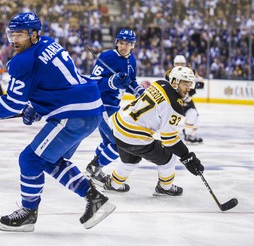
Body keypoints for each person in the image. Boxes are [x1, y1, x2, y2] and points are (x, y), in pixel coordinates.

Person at [0, 12, 116, 232]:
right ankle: (95, 199)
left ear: (33, 34)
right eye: (12, 34)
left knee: (30, 159)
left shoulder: (23, 61)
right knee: (50, 161)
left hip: (73, 115)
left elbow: (13, 103)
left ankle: (28, 213)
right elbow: (57, 81)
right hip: (89, 109)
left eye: (20, 34)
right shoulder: (50, 43)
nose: (14, 40)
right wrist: (38, 106)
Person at [103, 66, 205, 196]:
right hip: (133, 134)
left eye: (190, 84)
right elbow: (169, 140)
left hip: (117, 124)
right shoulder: (175, 106)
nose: (189, 88)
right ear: (174, 82)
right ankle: (165, 187)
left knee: (131, 159)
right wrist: (186, 156)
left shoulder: (159, 83)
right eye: (185, 83)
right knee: (169, 156)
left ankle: (114, 184)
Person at [85, 28, 145, 191]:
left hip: (114, 108)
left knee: (107, 142)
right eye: (121, 42)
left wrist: (139, 92)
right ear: (117, 42)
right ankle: (94, 167)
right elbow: (93, 83)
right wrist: (112, 81)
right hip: (100, 105)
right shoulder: (107, 57)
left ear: (133, 45)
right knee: (118, 143)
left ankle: (95, 166)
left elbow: (131, 81)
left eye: (127, 44)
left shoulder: (132, 60)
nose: (123, 46)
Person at [166, 55, 203, 144]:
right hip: (176, 100)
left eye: (182, 64)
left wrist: (194, 87)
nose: (179, 65)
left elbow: (200, 82)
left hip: (187, 99)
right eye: (177, 64)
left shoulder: (191, 71)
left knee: (195, 115)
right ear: (174, 64)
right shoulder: (169, 74)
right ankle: (186, 134)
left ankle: (191, 134)